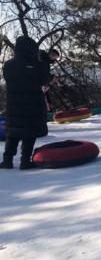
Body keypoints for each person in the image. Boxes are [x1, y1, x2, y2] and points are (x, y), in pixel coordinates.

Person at [1, 36, 51, 170]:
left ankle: (7, 160)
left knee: (13, 132)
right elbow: (44, 79)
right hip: (33, 102)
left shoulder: (8, 64)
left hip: (13, 102)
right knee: (30, 131)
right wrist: (45, 62)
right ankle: (25, 161)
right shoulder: (37, 65)